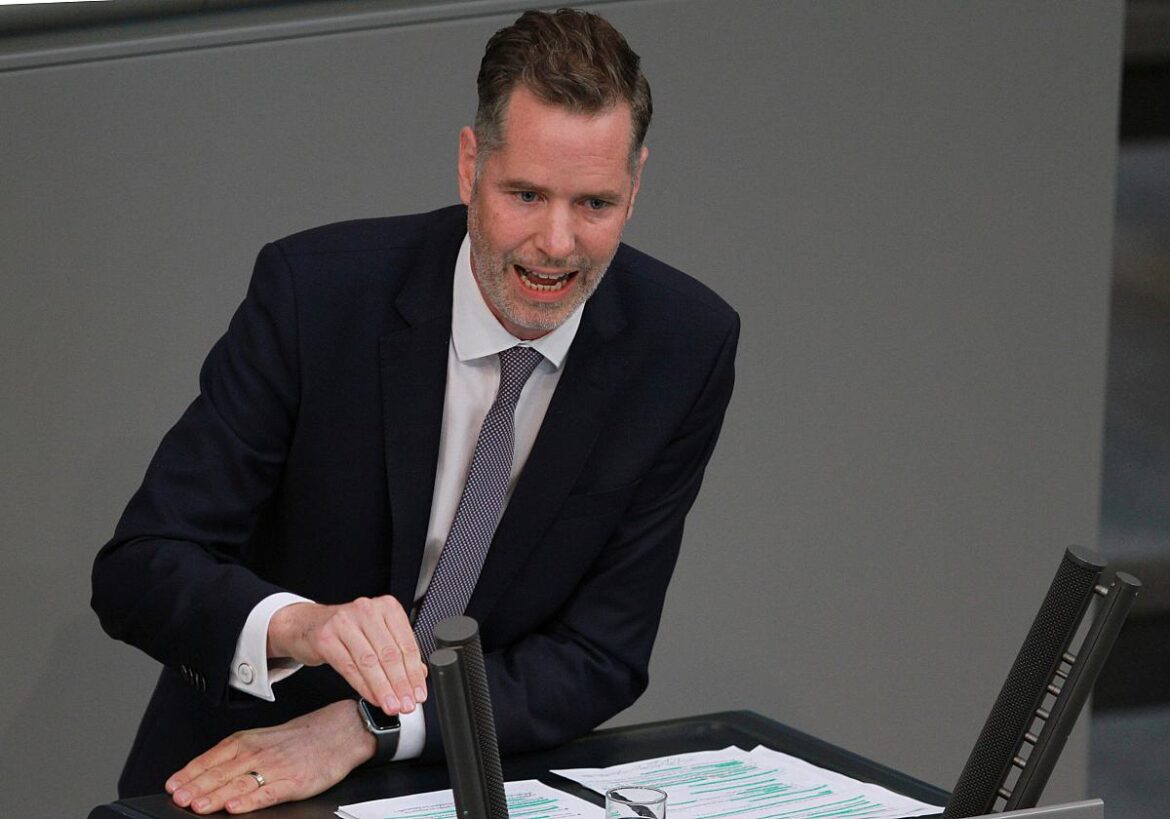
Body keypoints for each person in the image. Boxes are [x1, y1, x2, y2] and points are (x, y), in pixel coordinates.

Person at [92, 8, 739, 815]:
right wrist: (302, 626)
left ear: (636, 186)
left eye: (595, 204)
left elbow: (599, 653)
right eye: (526, 194)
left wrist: (367, 725)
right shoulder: (317, 296)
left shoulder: (681, 346)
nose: (557, 242)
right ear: (470, 165)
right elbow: (141, 565)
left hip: (468, 783)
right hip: (243, 778)